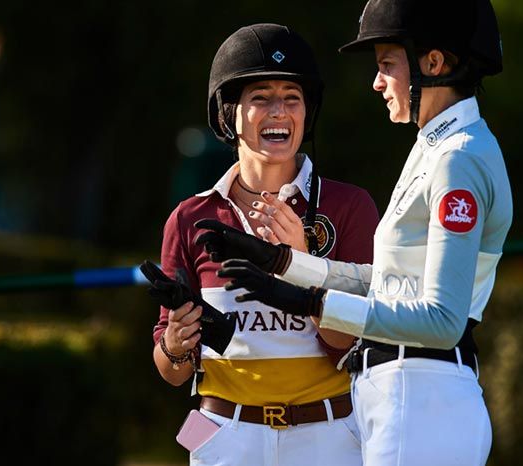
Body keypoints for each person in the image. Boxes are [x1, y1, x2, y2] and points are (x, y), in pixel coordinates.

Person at [196, 1, 512, 464]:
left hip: (420, 396)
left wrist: (311, 303)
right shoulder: (436, 149)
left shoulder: (457, 160)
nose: (377, 82)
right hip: (405, 397)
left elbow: (443, 321)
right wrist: (287, 265)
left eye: (386, 65)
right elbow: (391, 283)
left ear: (434, 63)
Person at [149, 23, 380, 465]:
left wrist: (303, 266)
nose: (279, 111)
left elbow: (347, 343)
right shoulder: (188, 218)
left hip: (328, 437)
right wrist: (176, 344)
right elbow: (172, 371)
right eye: (261, 98)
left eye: (291, 98)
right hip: (223, 438)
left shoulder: (351, 206)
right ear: (227, 114)